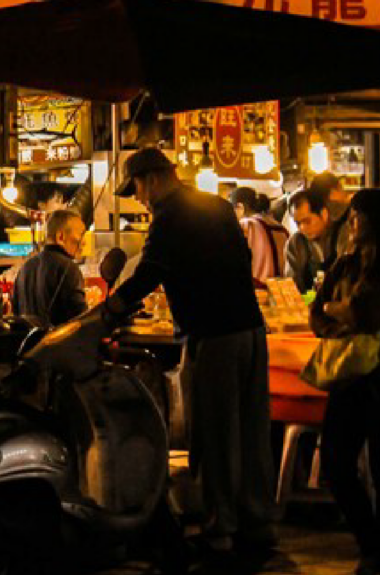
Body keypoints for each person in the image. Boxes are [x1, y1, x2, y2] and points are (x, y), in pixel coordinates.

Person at [104, 147, 275, 554]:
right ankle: (258, 522)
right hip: (250, 331)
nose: (141, 198)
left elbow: (150, 273)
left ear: (155, 177)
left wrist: (112, 307)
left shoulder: (169, 218)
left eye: (139, 188)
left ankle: (221, 527)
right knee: (252, 431)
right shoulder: (215, 206)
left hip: (213, 335)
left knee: (215, 433)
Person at [309, 188, 380, 575]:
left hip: (376, 378)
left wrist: (347, 312)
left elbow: (367, 312)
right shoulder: (345, 261)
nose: (351, 222)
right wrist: (342, 314)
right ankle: (371, 545)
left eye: (358, 216)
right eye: (350, 216)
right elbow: (318, 312)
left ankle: (374, 557)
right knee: (335, 464)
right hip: (349, 375)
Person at [11, 208, 88, 329]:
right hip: (57, 346)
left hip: (28, 346)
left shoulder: (25, 268)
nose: (83, 242)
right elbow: (80, 319)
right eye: (81, 234)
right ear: (60, 237)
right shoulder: (68, 268)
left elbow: (15, 312)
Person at [286, 182, 353, 293]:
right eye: (298, 223)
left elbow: (348, 277)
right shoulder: (296, 243)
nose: (302, 228)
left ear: (324, 214)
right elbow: (293, 284)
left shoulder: (343, 234)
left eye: (307, 221)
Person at [231, 187, 288, 286]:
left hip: (258, 289)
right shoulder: (280, 227)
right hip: (282, 289)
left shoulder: (246, 224)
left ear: (240, 207)